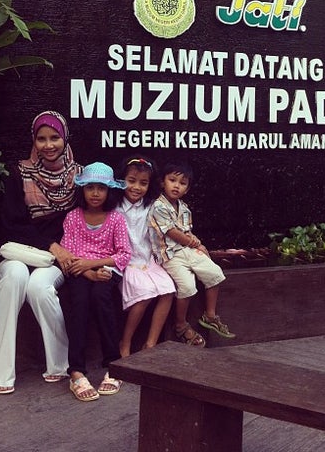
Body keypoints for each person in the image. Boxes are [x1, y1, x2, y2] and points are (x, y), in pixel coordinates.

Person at [0, 110, 81, 394]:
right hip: (20, 252)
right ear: (34, 141)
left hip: (55, 258)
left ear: (65, 138)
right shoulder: (19, 173)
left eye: (55, 138)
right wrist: (52, 245)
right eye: (41, 139)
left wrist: (60, 251)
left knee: (39, 287)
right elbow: (12, 226)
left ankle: (60, 363)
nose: (48, 145)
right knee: (14, 278)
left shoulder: (79, 177)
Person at [60, 162, 132, 401]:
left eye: (101, 188)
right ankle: (76, 371)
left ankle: (113, 364)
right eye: (90, 187)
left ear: (109, 191)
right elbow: (68, 253)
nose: (95, 193)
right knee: (79, 300)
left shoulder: (115, 219)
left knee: (101, 297)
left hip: (106, 269)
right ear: (82, 190)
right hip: (79, 271)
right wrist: (88, 272)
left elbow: (123, 254)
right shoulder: (73, 217)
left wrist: (94, 265)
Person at [148, 161, 235, 347]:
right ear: (162, 182)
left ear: (187, 189)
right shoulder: (158, 206)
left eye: (182, 183)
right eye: (172, 180)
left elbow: (187, 232)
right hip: (170, 256)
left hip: (187, 250)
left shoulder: (184, 208)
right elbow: (173, 232)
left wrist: (200, 246)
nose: (176, 186)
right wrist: (193, 242)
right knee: (187, 287)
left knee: (215, 273)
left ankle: (210, 315)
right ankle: (180, 324)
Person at [115, 157, 176, 357]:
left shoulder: (151, 206)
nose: (136, 187)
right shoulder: (115, 207)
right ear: (122, 180)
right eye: (131, 181)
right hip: (128, 262)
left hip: (148, 260)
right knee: (144, 294)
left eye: (143, 183)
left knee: (168, 290)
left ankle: (151, 343)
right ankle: (125, 342)